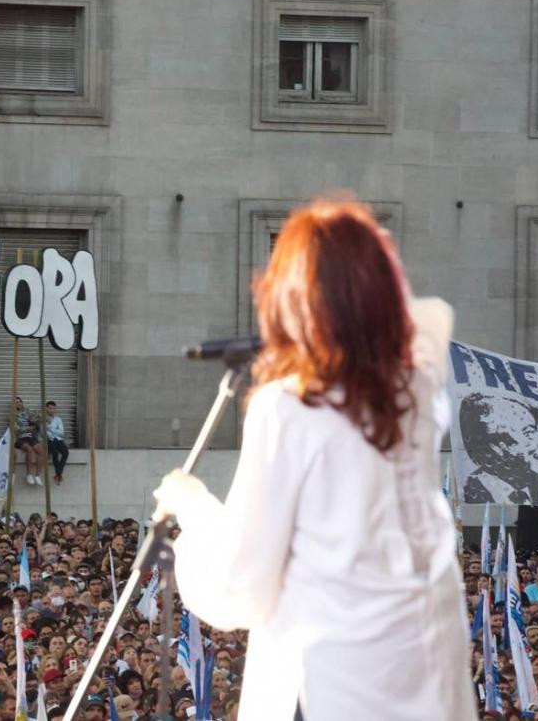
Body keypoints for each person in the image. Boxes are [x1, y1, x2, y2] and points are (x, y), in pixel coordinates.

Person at [152, 197, 476, 719]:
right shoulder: (414, 387)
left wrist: (191, 508)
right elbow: (430, 318)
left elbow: (242, 584)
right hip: (424, 684)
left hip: (330, 686)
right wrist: (361, 316)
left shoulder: (291, 408)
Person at [458, 393, 538, 505]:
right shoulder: (474, 494)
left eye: (537, 431)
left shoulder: (529, 492)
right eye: (529, 433)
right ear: (497, 447)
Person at [14, 396, 45, 486]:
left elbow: (38, 418)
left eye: (20, 402)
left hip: (31, 437)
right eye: (16, 402)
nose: (18, 403)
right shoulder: (12, 415)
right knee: (29, 450)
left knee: (41, 450)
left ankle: (38, 475)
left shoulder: (28, 411)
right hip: (20, 438)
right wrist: (29, 428)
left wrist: (36, 422)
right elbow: (17, 429)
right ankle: (29, 474)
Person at [46, 400, 69, 485]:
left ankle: (58, 473)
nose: (52, 410)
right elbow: (45, 433)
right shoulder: (43, 418)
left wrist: (51, 429)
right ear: (47, 409)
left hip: (58, 439)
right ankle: (59, 475)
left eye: (53, 408)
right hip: (49, 440)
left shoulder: (58, 419)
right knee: (55, 453)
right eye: (50, 408)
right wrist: (53, 432)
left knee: (65, 452)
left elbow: (61, 432)